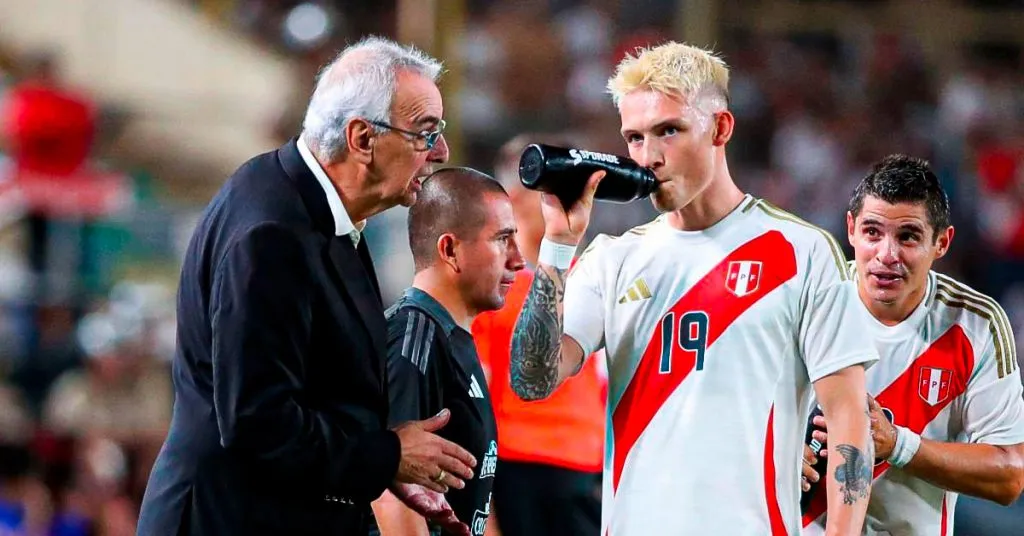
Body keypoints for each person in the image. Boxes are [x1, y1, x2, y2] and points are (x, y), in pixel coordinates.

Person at [508, 41, 878, 535]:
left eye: (669, 131)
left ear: (720, 128)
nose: (649, 157)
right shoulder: (613, 261)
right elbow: (532, 381)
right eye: (634, 138)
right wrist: (557, 244)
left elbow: (849, 418)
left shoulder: (801, 251)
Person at [137, 36, 478, 536]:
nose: (440, 152)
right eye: (425, 133)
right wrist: (387, 455)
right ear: (362, 139)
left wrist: (384, 467)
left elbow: (316, 391)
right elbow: (258, 424)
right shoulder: (270, 235)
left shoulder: (311, 203)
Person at [800, 155, 1024, 535]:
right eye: (872, 232)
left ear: (941, 242)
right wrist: (779, 451)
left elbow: (1010, 475)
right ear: (851, 229)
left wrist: (898, 445)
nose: (887, 255)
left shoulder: (974, 325)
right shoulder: (807, 303)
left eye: (907, 236)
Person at [371, 168, 525, 536]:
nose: (518, 259)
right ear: (450, 250)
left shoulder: (451, 337)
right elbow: (390, 495)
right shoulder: (414, 338)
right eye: (503, 239)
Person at [471, 134, 605, 536]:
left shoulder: (597, 279)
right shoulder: (491, 289)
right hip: (517, 469)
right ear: (513, 197)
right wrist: (483, 510)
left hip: (588, 468)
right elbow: (474, 399)